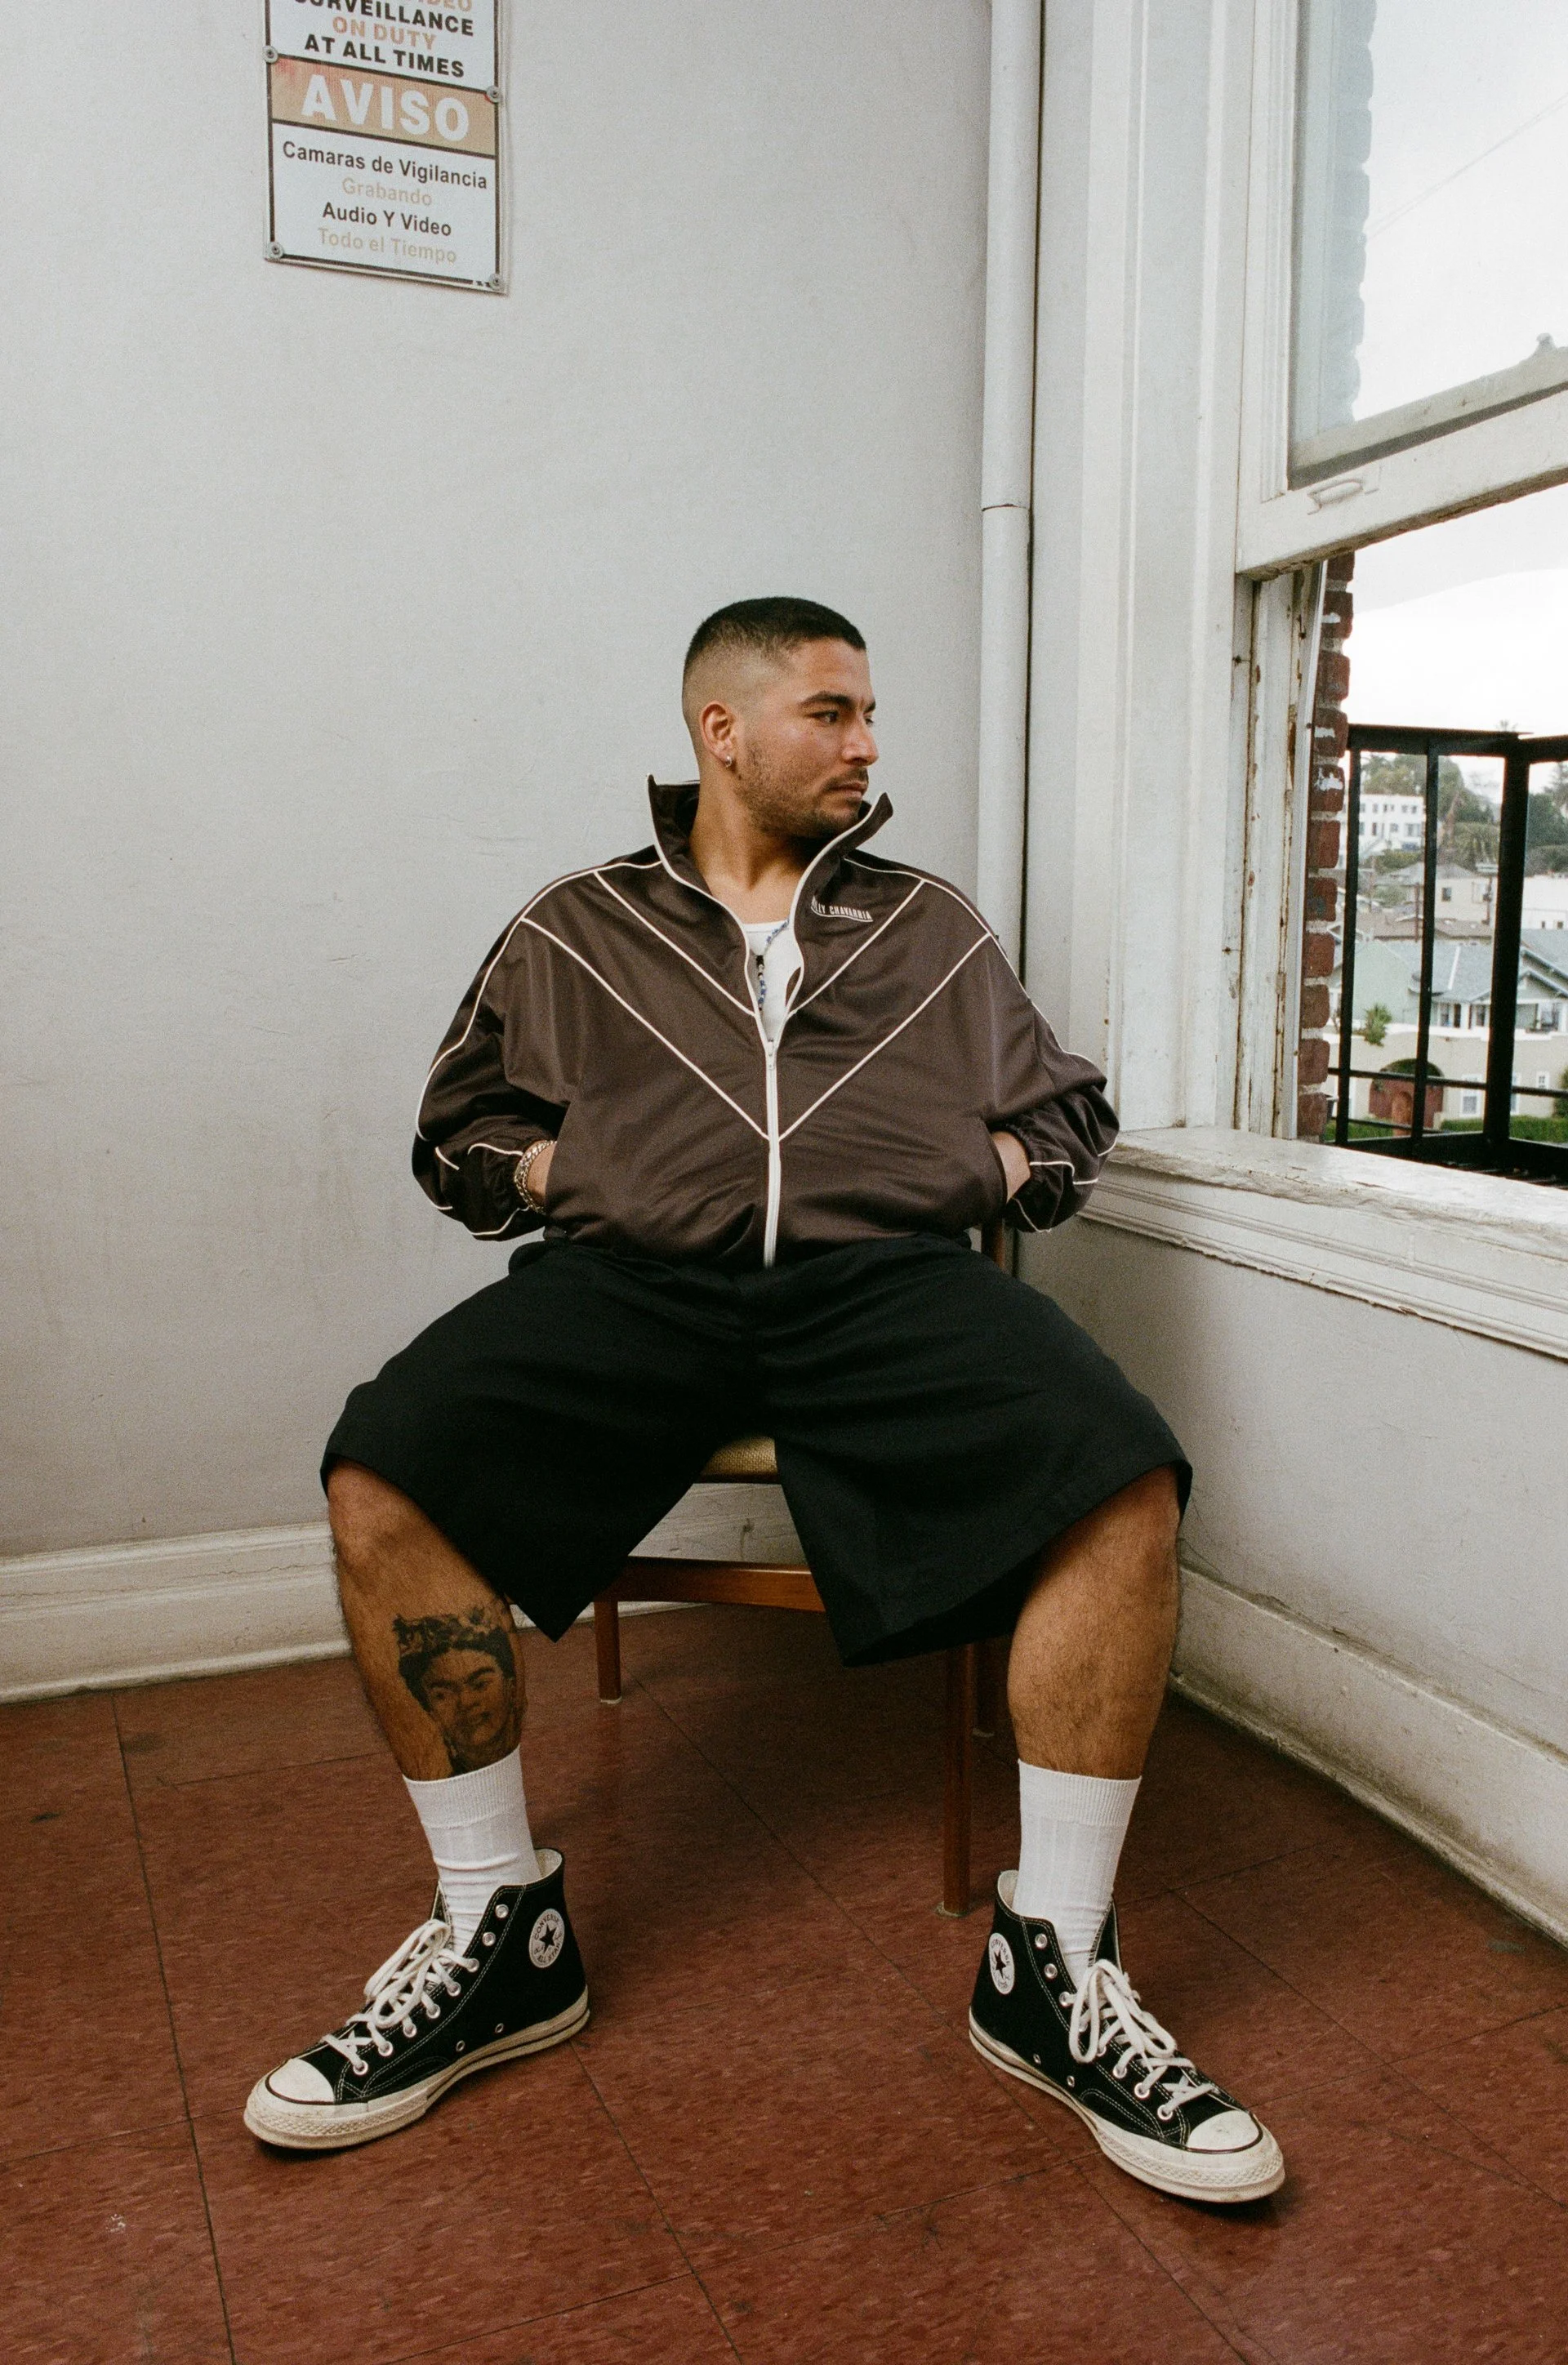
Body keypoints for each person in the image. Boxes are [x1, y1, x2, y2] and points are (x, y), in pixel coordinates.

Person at [245, 597, 1284, 2204]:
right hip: (639, 1288)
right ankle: (495, 1928)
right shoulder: (576, 925)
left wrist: (972, 1167)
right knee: (386, 1468)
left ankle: (1055, 1960)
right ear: (720, 731)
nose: (870, 744)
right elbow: (454, 1135)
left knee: (1122, 1473)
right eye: (832, 710)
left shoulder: (930, 925)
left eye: (872, 712)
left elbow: (1069, 1120)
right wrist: (566, 1169)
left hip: (889, 1285)